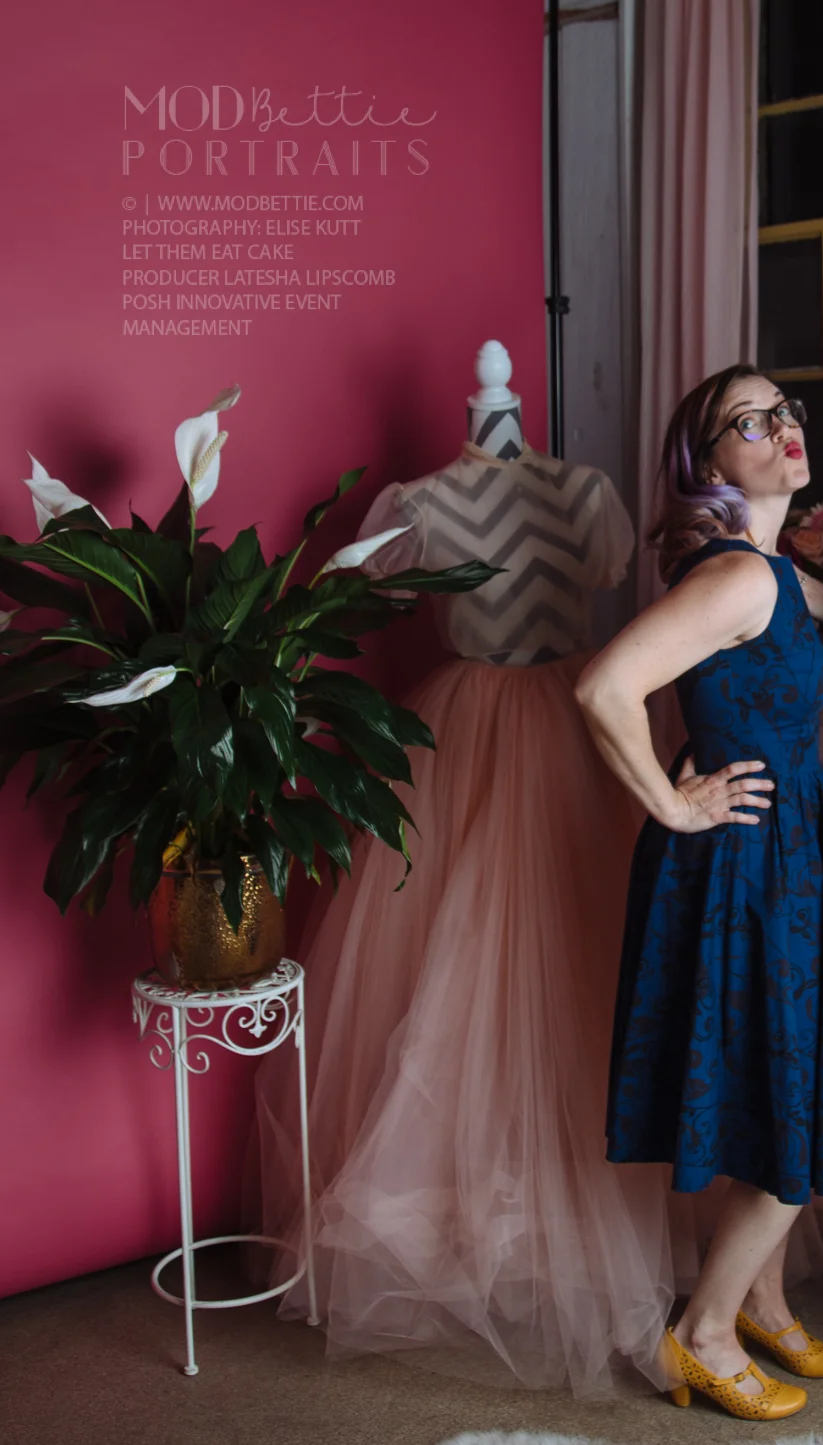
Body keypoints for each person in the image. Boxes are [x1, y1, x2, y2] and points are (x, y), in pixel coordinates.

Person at [255, 425, 690, 1396]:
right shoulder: (418, 503)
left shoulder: (585, 491)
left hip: (575, 727)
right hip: (471, 736)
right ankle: (480, 1212)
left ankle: (599, 1205)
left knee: (588, 958)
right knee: (457, 965)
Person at [576, 365, 823, 1421]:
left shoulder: (770, 573)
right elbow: (603, 687)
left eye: (784, 410)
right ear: (707, 462)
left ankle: (760, 1302)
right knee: (792, 1103)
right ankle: (701, 1336)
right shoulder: (740, 581)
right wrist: (671, 805)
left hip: (782, 854)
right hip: (745, 860)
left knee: (767, 1090)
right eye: (747, 422)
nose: (781, 427)